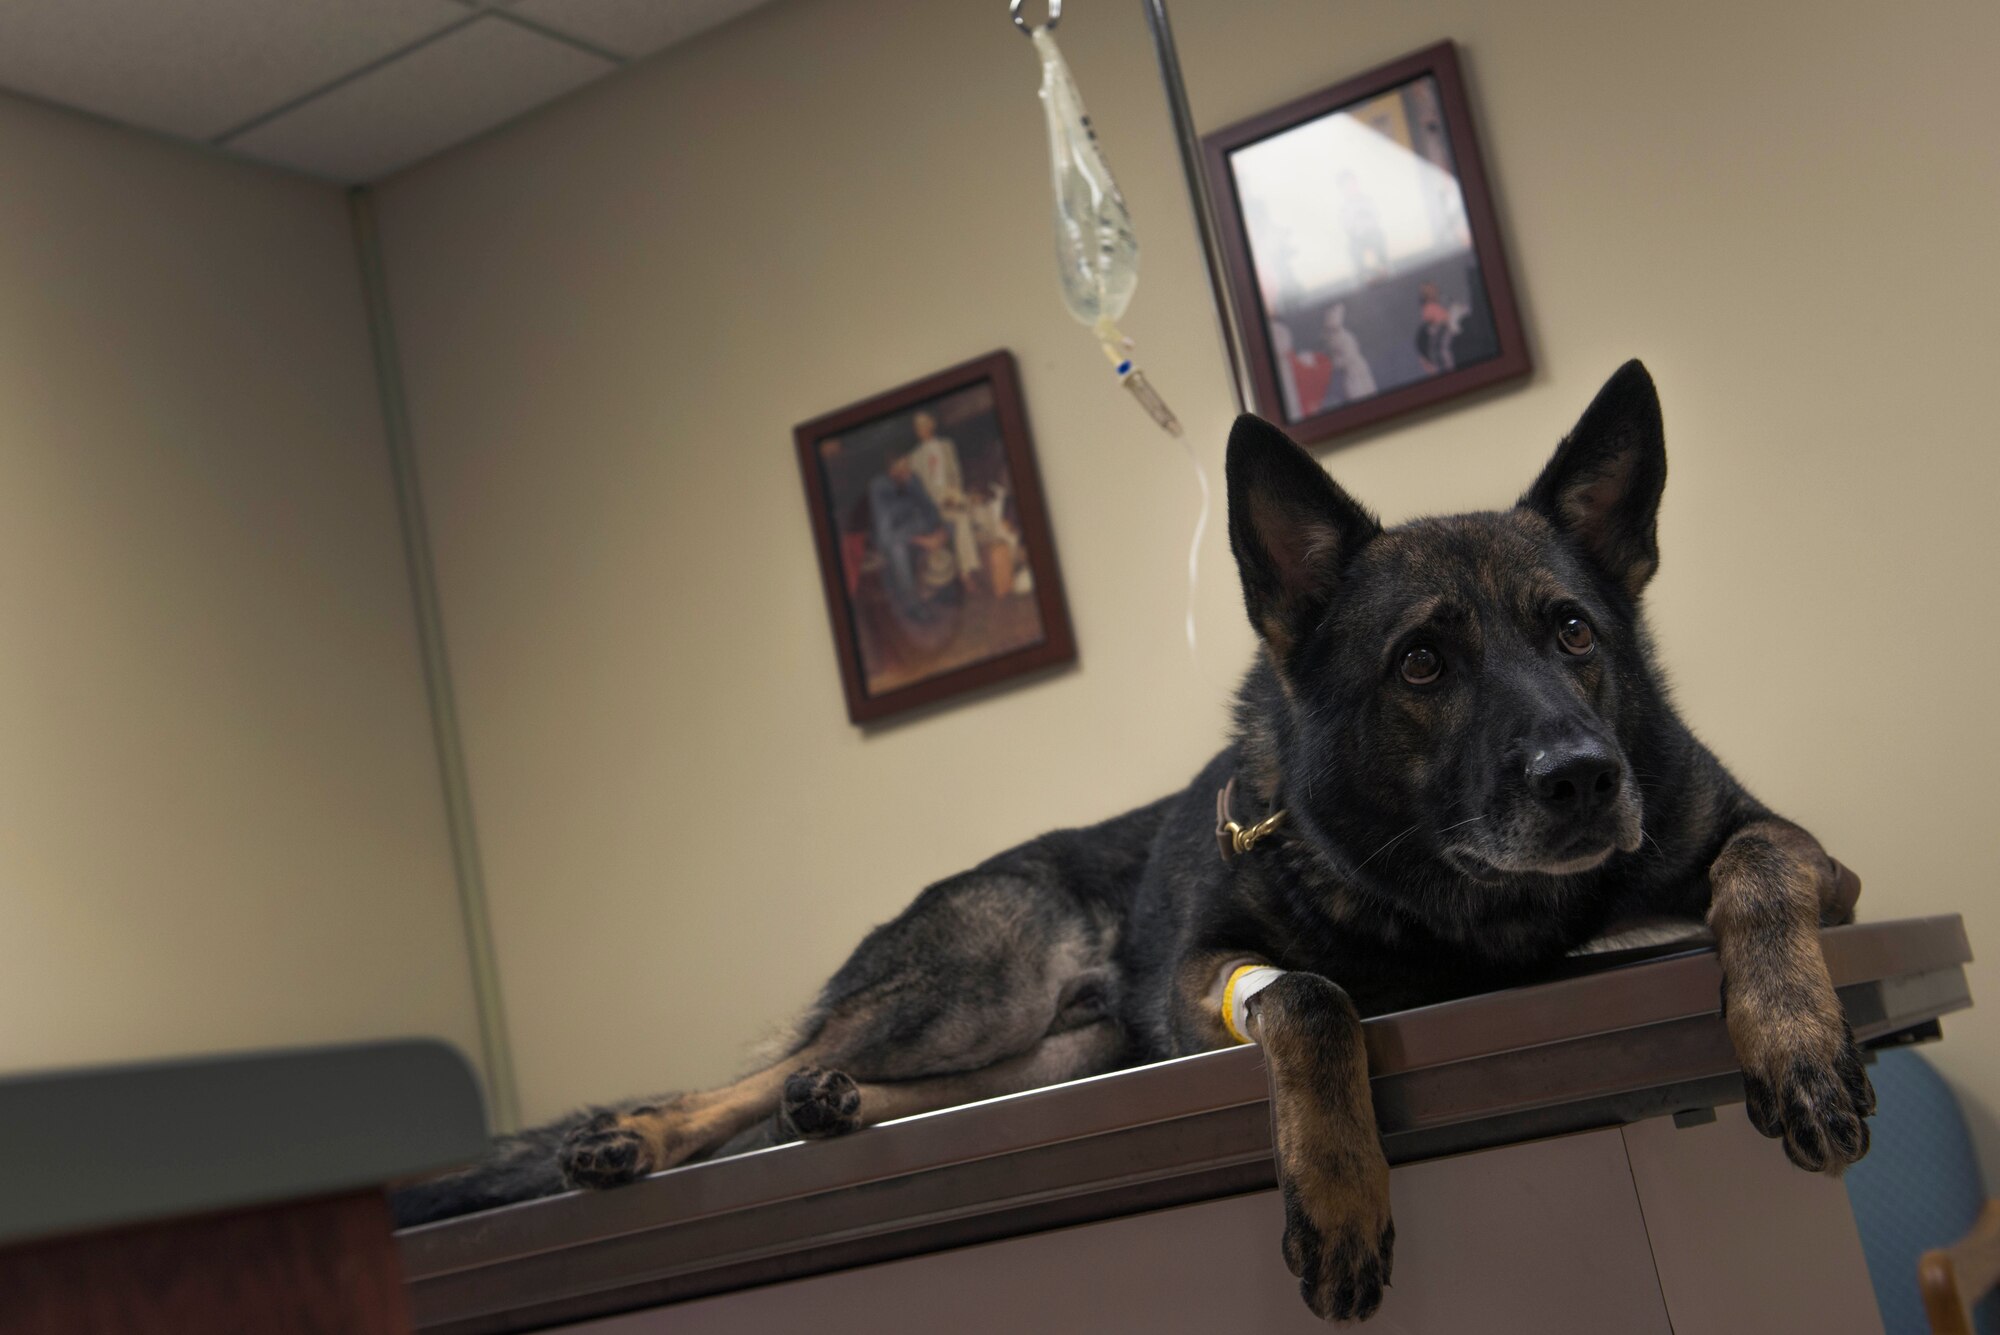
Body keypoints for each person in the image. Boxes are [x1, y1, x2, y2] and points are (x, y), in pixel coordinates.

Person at [868, 449, 950, 621]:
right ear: (891, 470)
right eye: (902, 467)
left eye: (908, 465)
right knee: (898, 550)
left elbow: (929, 507)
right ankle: (913, 606)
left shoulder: (912, 479)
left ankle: (941, 589)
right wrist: (924, 541)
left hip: (916, 528)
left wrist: (939, 529)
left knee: (949, 526)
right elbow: (886, 535)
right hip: (894, 538)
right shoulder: (879, 488)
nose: (908, 471)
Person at [1323, 303, 1377, 403]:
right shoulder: (1331, 340)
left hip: (1358, 370)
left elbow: (1349, 355)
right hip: (1349, 375)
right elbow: (1336, 360)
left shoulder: (1346, 337)